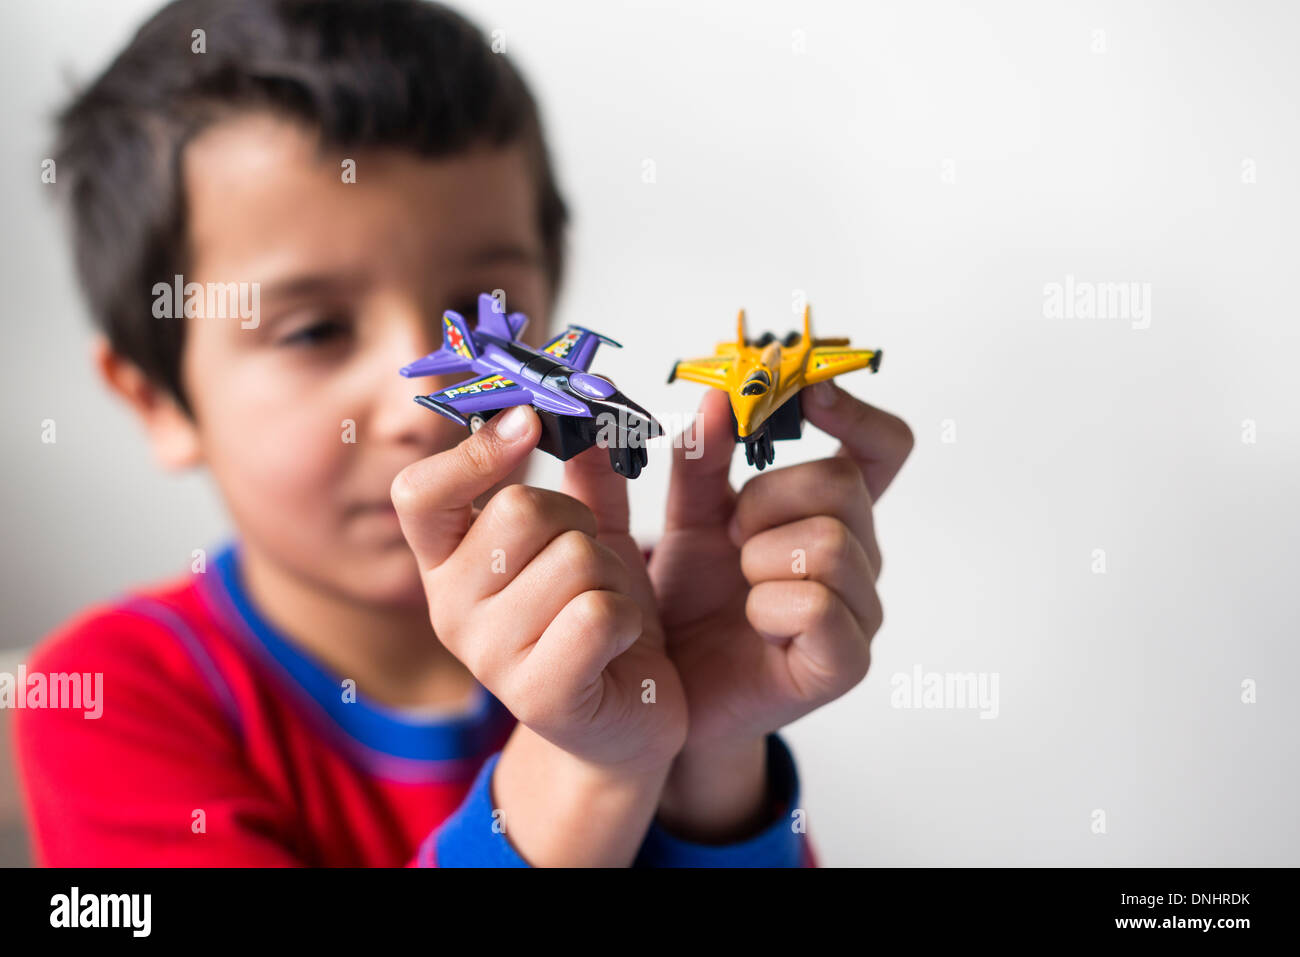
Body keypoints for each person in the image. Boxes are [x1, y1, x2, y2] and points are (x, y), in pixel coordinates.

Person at [15, 0, 912, 866]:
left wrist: (715, 762)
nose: (424, 404)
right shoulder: (101, 701)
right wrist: (589, 767)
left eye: (481, 318)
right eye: (313, 331)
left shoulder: (651, 616)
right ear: (157, 402)